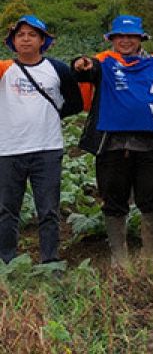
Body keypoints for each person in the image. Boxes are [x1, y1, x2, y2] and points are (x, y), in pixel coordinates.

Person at [74, 14, 153, 265]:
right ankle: (119, 256)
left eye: (131, 36)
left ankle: (150, 253)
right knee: (113, 199)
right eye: (120, 36)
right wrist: (81, 64)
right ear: (112, 39)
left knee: (151, 197)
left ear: (140, 38)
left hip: (149, 144)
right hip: (111, 144)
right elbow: (86, 68)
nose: (125, 41)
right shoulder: (103, 62)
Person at [0, 15, 83, 264]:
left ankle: (50, 262)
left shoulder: (58, 70)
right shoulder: (4, 69)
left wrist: (48, 114)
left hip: (47, 149)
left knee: (48, 211)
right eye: (21, 35)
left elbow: (75, 103)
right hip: (8, 149)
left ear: (43, 41)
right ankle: (6, 262)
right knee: (6, 211)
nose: (26, 39)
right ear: (13, 41)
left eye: (32, 35)